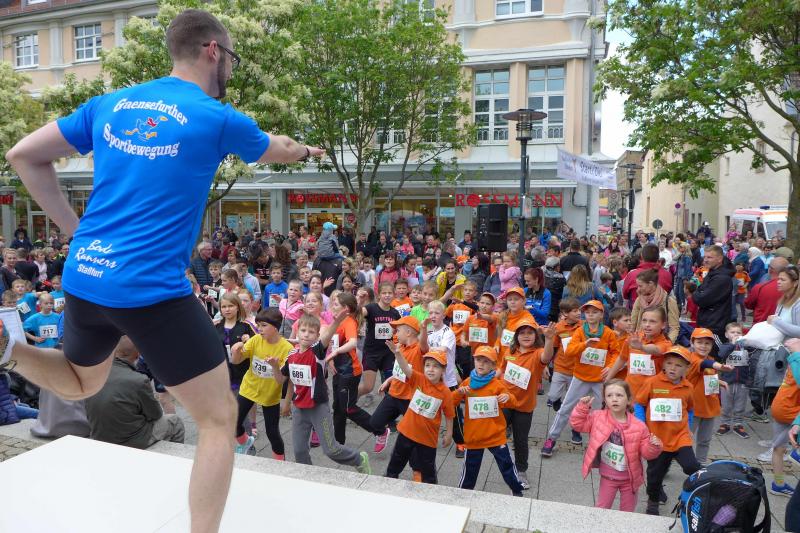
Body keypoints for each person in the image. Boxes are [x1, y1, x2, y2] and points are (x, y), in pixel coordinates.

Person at [3, 9, 325, 532]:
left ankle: (7, 349)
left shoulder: (110, 104)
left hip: (87, 275)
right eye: (231, 58)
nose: (231, 68)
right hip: (149, 288)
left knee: (81, 382)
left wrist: (74, 231)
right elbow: (281, 149)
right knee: (218, 418)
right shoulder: (216, 116)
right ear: (213, 51)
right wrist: (307, 148)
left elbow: (23, 154)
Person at [270, 314, 372, 474]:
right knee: (299, 451)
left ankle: (359, 459)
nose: (306, 334)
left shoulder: (317, 351)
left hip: (318, 407)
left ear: (317, 336)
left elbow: (327, 335)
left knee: (331, 449)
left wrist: (336, 321)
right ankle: (308, 476)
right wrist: (275, 367)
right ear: (297, 332)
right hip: (299, 408)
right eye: (303, 330)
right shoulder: (291, 355)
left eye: (311, 332)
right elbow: (280, 380)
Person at [569, 380, 662, 512]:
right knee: (601, 508)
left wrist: (653, 446)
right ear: (605, 400)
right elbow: (577, 425)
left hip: (630, 479)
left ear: (628, 400)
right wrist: (581, 408)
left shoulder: (639, 426)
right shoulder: (597, 417)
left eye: (619, 395)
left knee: (627, 512)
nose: (614, 399)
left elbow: (647, 453)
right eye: (609, 395)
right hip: (608, 476)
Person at [542, 300, 619, 456]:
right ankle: (551, 438)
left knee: (600, 413)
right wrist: (585, 344)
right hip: (580, 378)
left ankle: (598, 444)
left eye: (594, 312)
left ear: (601, 314)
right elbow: (569, 351)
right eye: (588, 312)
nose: (590, 315)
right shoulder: (579, 331)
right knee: (565, 409)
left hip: (599, 380)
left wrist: (610, 366)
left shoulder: (608, 333)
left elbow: (616, 352)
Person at [634, 346, 702, 515]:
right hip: (656, 438)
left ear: (686, 369)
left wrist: (689, 427)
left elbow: (690, 409)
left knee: (692, 466)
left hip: (680, 436)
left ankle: (693, 496)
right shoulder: (652, 382)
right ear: (663, 364)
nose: (673, 368)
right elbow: (639, 404)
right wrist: (642, 425)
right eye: (669, 363)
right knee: (655, 475)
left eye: (678, 365)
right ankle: (653, 502)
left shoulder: (688, 387)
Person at [84, 337, 185, 449]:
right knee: (175, 421)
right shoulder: (139, 380)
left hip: (99, 437)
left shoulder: (95, 374)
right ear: (137, 355)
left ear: (114, 352)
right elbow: (156, 414)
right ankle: (173, 455)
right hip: (131, 440)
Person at [452, 345, 524, 496]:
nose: (481, 364)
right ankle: (463, 495)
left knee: (506, 465)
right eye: (478, 360)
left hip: (495, 436)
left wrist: (507, 397)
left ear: (493, 366)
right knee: (470, 470)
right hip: (474, 436)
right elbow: (451, 402)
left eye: (486, 361)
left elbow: (513, 402)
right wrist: (458, 392)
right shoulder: (467, 383)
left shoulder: (497, 385)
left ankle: (517, 491)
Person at [383, 345, 454, 484]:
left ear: (443, 370)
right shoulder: (418, 379)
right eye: (427, 365)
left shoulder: (446, 393)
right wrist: (397, 353)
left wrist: (449, 433)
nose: (431, 369)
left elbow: (449, 414)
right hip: (407, 431)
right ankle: (389, 483)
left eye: (436, 366)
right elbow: (405, 368)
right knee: (396, 462)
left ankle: (431, 491)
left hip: (427, 437)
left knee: (428, 471)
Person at [500, 317, 556, 489]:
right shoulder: (509, 351)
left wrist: (549, 339)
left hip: (524, 406)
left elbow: (546, 356)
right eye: (522, 333)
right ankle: (502, 461)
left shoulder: (537, 353)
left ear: (535, 336)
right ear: (516, 336)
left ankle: (521, 470)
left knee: (521, 440)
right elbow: (501, 371)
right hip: (505, 402)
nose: (526, 336)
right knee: (497, 434)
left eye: (530, 333)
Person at [229, 308, 288, 458]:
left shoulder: (287, 348)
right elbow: (236, 361)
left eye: (264, 325)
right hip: (249, 387)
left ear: (276, 327)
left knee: (272, 433)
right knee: (233, 421)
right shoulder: (256, 340)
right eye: (258, 325)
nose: (259, 329)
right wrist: (235, 351)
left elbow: (281, 380)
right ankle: (245, 443)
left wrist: (275, 366)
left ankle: (280, 462)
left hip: (270, 394)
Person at [685, 328, 732, 464]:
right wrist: (721, 367)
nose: (703, 346)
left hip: (710, 408)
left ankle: (701, 463)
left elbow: (706, 377)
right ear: (692, 343)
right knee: (685, 439)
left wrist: (719, 382)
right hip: (693, 408)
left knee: (705, 440)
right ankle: (675, 462)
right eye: (699, 342)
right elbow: (704, 364)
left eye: (707, 343)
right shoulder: (692, 359)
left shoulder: (710, 359)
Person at [693, 245, 735, 344]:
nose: (705, 260)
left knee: (711, 353)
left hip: (714, 326)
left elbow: (701, 299)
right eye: (705, 257)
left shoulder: (721, 278)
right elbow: (700, 291)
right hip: (708, 322)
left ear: (719, 259)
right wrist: (699, 292)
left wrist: (696, 293)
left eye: (709, 257)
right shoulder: (713, 273)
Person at [716, 323, 751, 438]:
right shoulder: (725, 346)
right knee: (726, 405)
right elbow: (722, 354)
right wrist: (732, 344)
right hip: (727, 381)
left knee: (740, 405)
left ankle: (738, 424)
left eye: (738, 332)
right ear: (726, 335)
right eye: (732, 332)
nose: (735, 334)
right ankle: (725, 423)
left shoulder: (745, 347)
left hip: (742, 381)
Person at [745, 256, 788, 324]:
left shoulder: (760, 287)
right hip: (784, 327)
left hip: (761, 325)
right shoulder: (793, 288)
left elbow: (748, 305)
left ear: (770, 270)